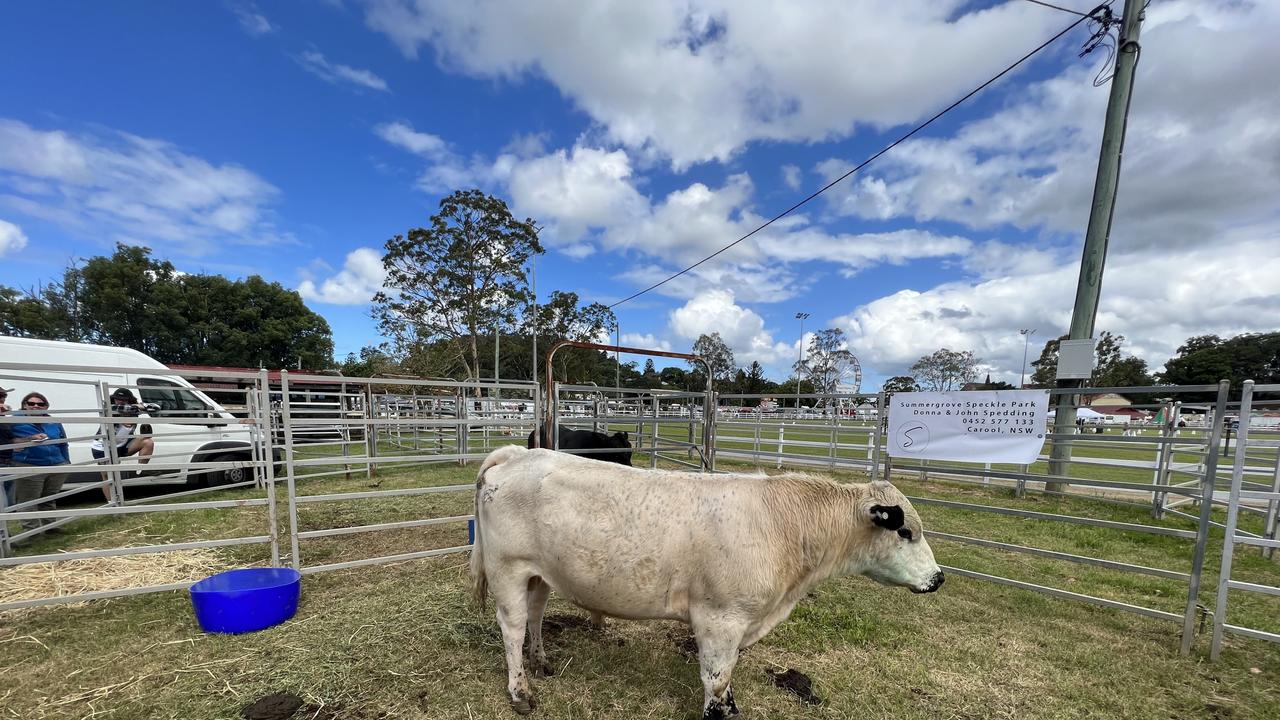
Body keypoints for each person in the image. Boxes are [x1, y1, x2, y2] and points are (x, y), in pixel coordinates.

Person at [11, 392, 71, 533]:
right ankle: (32, 532)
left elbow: (63, 442)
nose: (35, 406)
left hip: (56, 464)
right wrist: (30, 439)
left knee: (49, 498)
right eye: (31, 404)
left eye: (40, 404)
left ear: (46, 406)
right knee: (28, 501)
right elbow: (8, 442)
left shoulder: (53, 421)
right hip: (29, 465)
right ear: (24, 406)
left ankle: (50, 527)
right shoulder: (13, 421)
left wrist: (65, 461)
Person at [91, 388, 155, 496]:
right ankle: (112, 504)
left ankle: (141, 469)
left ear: (129, 400)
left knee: (148, 442)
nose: (119, 401)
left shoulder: (132, 410)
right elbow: (122, 413)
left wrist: (141, 405)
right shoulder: (110, 409)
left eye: (124, 399)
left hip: (121, 445)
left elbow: (155, 407)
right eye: (117, 399)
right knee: (108, 476)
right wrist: (137, 406)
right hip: (103, 448)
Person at [1, 386, 16, 508]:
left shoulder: (5, 418)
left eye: (4, 396)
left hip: (8, 461)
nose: (2, 399)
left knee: (7, 503)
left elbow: (12, 438)